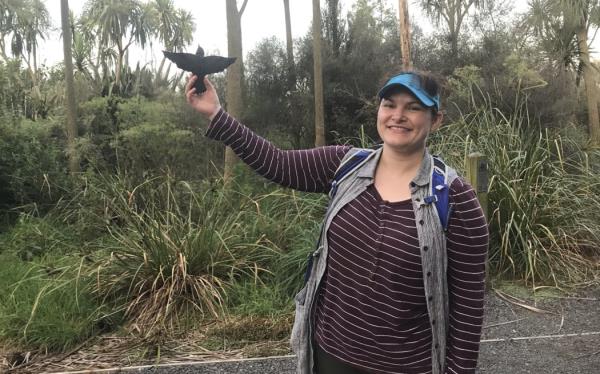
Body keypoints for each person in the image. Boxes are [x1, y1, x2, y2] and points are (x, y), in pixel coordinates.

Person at [185, 71, 489, 374]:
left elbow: (468, 310)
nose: (398, 115)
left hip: (407, 365)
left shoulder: (454, 198)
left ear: (436, 120)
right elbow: (276, 163)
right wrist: (216, 113)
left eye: (414, 107)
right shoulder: (345, 165)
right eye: (389, 104)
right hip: (330, 355)